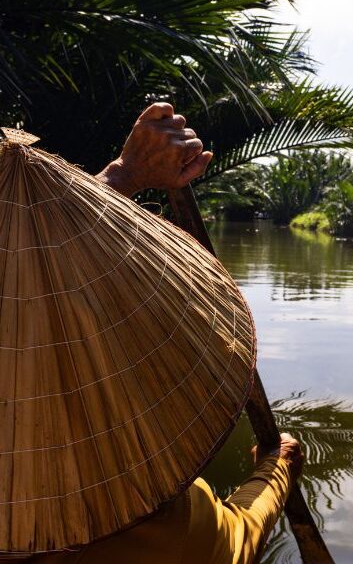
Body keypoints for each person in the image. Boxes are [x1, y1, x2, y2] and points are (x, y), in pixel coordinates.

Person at [30, 102, 304, 564]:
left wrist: (121, 177)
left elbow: (25, 274)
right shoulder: (164, 532)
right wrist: (278, 470)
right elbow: (240, 532)